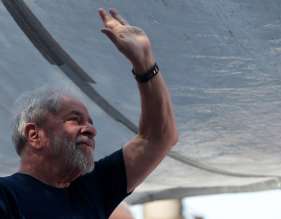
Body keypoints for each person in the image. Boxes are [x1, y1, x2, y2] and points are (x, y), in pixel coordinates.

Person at [0, 8, 178, 219]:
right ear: (34, 135)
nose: (92, 130)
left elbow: (158, 138)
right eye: (74, 119)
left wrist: (145, 62)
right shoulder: (7, 195)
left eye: (90, 122)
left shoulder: (93, 190)